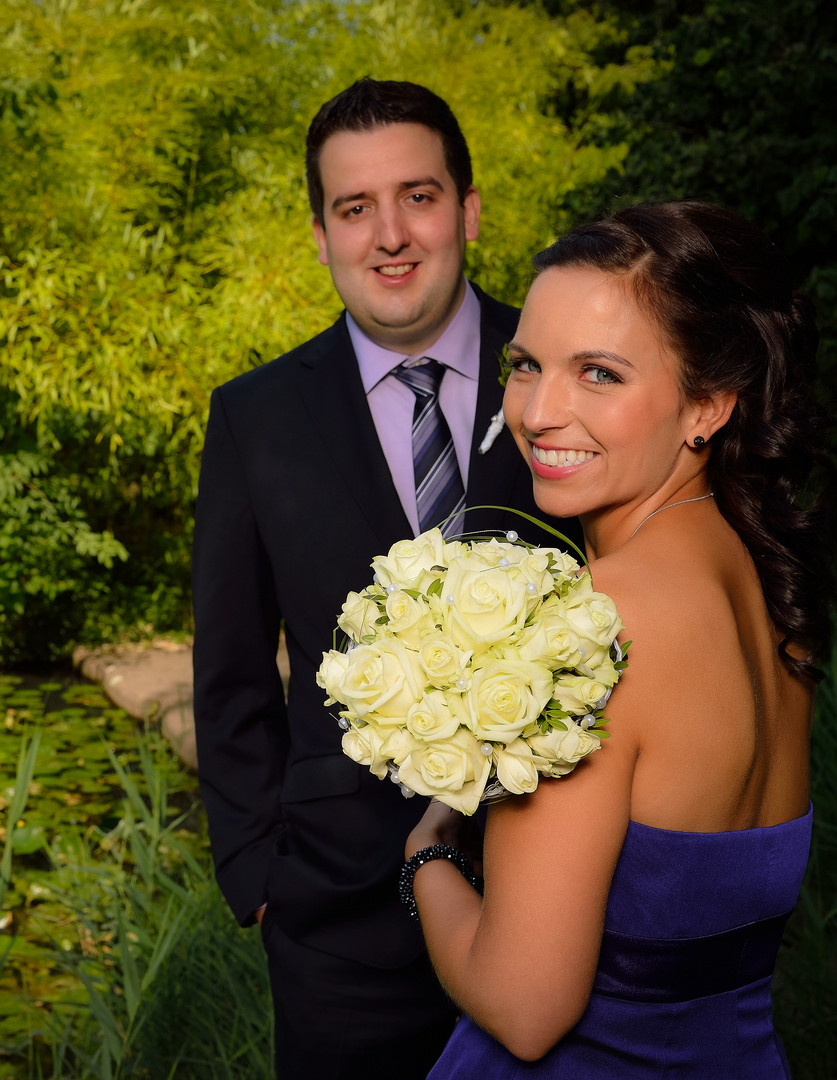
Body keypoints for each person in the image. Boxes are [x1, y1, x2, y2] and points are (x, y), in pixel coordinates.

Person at [190, 79, 580, 1080]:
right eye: (355, 208)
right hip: (337, 924)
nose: (390, 235)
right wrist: (258, 875)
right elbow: (231, 673)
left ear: (469, 210)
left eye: (419, 196)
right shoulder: (254, 418)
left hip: (572, 895)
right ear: (321, 234)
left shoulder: (571, 380)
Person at [407, 200, 828, 1077]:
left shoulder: (590, 625)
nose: (540, 412)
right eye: (526, 365)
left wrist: (428, 859)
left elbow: (526, 1007)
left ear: (707, 404)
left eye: (597, 373)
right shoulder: (761, 585)